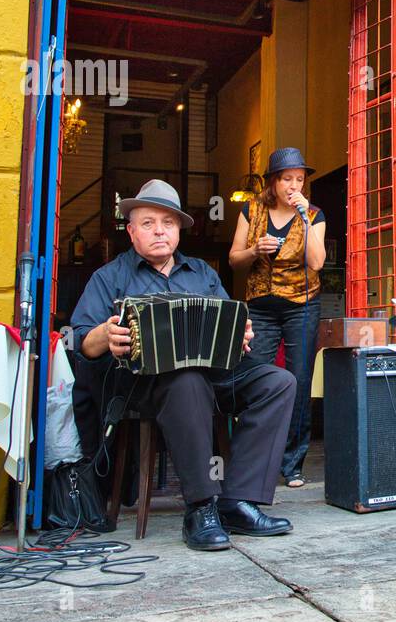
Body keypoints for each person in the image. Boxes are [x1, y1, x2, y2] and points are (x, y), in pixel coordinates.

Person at [71, 179, 296, 551]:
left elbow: (229, 323)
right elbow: (81, 341)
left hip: (214, 375)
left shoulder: (203, 274)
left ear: (178, 231)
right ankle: (200, 507)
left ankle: (237, 499)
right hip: (143, 385)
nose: (160, 230)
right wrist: (105, 335)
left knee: (279, 382)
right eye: (148, 223)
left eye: (169, 223)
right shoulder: (109, 277)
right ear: (131, 231)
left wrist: (240, 335)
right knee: (187, 379)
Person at [229, 147, 327, 487]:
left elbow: (316, 263)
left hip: (302, 304)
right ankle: (254, 456)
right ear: (274, 181)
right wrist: (256, 250)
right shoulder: (251, 209)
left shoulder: (313, 213)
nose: (294, 185)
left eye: (300, 180)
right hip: (260, 305)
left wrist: (304, 217)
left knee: (299, 381)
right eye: (287, 179)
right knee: (254, 376)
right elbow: (234, 260)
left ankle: (292, 462)